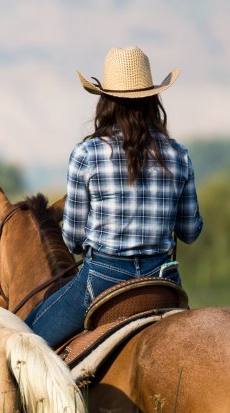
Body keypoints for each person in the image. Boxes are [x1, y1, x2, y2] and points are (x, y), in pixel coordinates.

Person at [26, 46, 203, 348]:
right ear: (153, 99)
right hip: (162, 282)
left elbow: (72, 239)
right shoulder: (178, 155)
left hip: (103, 279)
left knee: (25, 341)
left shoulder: (87, 154)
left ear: (105, 101)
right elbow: (190, 232)